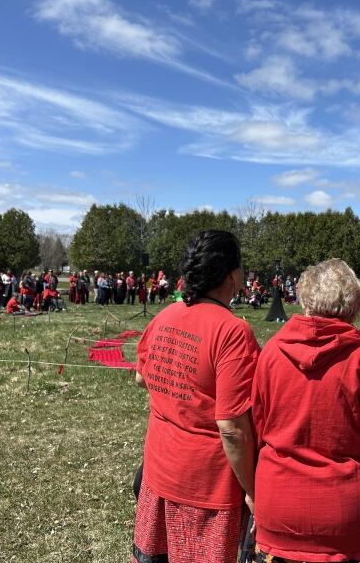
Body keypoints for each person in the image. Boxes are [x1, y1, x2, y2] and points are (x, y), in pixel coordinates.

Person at [251, 259, 360, 563]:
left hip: (279, 509)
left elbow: (257, 429)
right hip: (347, 518)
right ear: (355, 307)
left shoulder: (271, 353)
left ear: (304, 300)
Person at [132, 230, 260, 563]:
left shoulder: (165, 316)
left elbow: (139, 377)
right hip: (205, 487)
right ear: (231, 276)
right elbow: (232, 427)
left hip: (158, 469)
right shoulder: (233, 331)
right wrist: (253, 491)